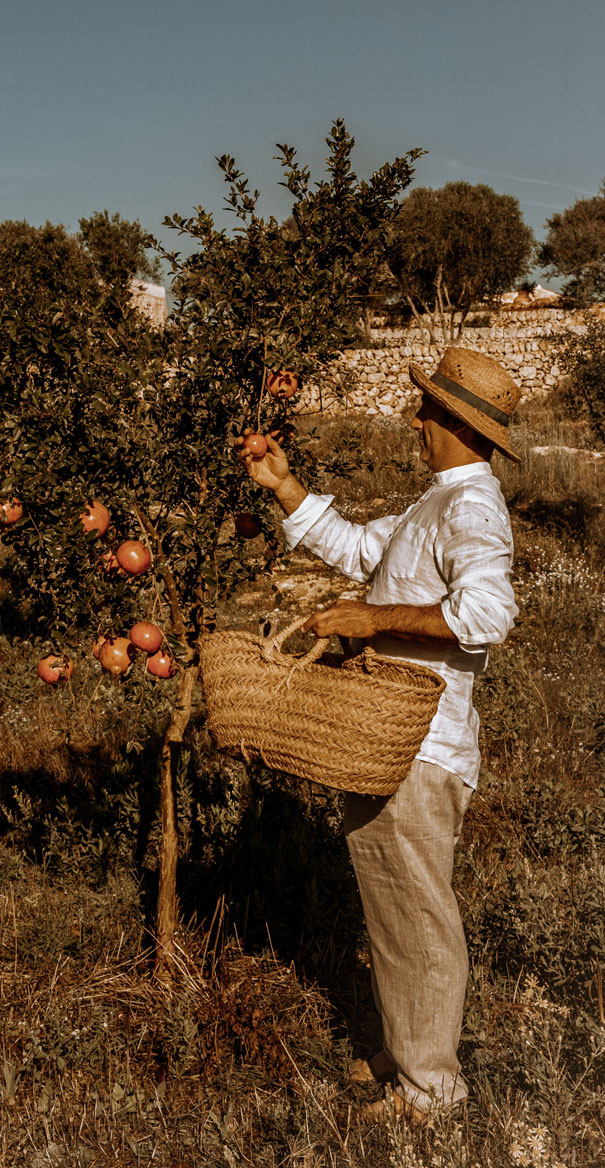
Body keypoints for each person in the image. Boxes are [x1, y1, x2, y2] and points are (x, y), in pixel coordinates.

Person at [238, 346, 520, 1121]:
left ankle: (430, 1091)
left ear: (453, 423)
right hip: (388, 738)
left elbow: (486, 617)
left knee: (418, 917)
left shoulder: (469, 507)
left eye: (425, 410)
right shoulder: (436, 503)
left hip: (420, 743)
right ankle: (410, 1056)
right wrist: (285, 488)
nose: (413, 419)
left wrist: (374, 618)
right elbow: (365, 549)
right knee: (395, 913)